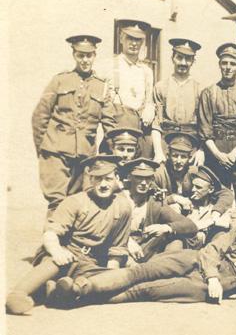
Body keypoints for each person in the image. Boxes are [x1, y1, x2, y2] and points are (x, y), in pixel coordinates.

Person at [46, 202, 236, 307]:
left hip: (209, 285)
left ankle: (69, 298)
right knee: (140, 272)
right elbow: (212, 250)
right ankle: (80, 287)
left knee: (146, 291)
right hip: (197, 259)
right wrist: (211, 275)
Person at [5, 155, 132, 315]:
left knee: (98, 282)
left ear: (117, 179)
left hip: (90, 262)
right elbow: (51, 233)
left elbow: (117, 247)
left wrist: (110, 274)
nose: (103, 184)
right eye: (97, 179)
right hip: (66, 252)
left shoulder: (123, 207)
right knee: (55, 263)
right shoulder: (75, 201)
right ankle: (18, 295)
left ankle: (56, 291)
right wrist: (57, 251)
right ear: (90, 179)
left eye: (108, 179)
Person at [32, 34, 116, 216]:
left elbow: (110, 123)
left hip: (84, 156)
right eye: (80, 55)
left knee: (77, 203)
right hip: (55, 152)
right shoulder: (60, 80)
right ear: (74, 55)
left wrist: (113, 153)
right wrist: (44, 149)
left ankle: (68, 245)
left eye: (89, 55)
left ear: (95, 55)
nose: (85, 60)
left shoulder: (101, 86)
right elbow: (40, 116)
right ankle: (51, 244)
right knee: (56, 202)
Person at [197, 42, 236, 206]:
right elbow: (205, 128)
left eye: (232, 64)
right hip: (216, 148)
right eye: (224, 63)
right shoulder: (208, 93)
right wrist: (218, 155)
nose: (228, 67)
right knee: (216, 192)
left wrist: (233, 155)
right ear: (219, 65)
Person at [101, 19, 160, 162]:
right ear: (121, 38)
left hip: (139, 133)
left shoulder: (146, 71)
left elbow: (149, 101)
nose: (134, 43)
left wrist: (150, 107)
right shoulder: (109, 66)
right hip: (115, 132)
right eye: (130, 38)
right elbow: (101, 105)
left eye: (138, 40)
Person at [121, 158, 197, 264]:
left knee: (177, 241)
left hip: (143, 250)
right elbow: (104, 228)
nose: (144, 183)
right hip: (118, 248)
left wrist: (166, 227)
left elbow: (190, 226)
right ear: (129, 177)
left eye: (148, 178)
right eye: (139, 177)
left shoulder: (154, 203)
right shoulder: (118, 198)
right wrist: (127, 241)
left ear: (152, 180)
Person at [153, 132, 235, 219]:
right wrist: (173, 199)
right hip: (164, 215)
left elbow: (226, 193)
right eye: (175, 156)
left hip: (191, 214)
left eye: (183, 157)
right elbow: (149, 202)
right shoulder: (159, 173)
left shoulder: (195, 172)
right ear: (168, 156)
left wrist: (216, 211)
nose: (178, 161)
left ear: (189, 158)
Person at [152, 38, 205, 165]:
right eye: (179, 57)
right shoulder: (161, 87)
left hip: (191, 144)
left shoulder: (200, 89)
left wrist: (201, 150)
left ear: (193, 61)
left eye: (188, 59)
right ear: (172, 58)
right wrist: (158, 151)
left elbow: (205, 125)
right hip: (167, 142)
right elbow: (156, 124)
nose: (183, 63)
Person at [181, 166, 232, 248]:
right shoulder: (185, 205)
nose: (193, 189)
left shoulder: (216, 209)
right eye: (193, 186)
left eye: (198, 187)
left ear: (211, 190)